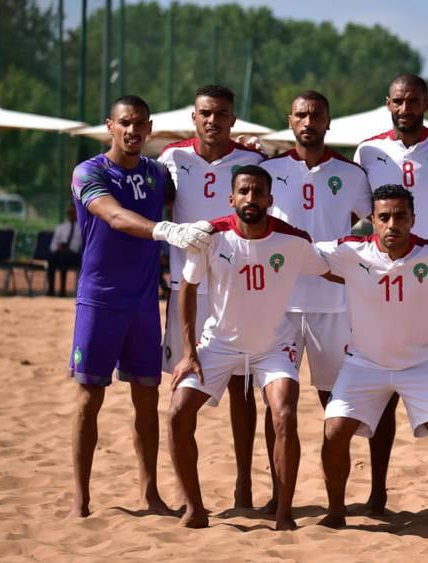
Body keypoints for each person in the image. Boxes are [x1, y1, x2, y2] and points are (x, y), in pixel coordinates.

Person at [68, 94, 213, 518]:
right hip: (99, 301)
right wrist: (165, 230)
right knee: (89, 398)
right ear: (109, 126)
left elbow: (202, 180)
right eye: (125, 123)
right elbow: (113, 217)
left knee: (147, 401)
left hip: (145, 304)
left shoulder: (155, 172)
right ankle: (81, 499)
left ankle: (150, 494)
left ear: (150, 129)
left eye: (140, 124)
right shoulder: (89, 171)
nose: (133, 131)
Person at [169, 165, 331, 530]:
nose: (251, 199)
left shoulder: (293, 240)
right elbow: (188, 289)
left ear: (270, 200)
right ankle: (195, 509)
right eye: (244, 192)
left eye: (258, 192)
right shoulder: (210, 237)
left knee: (285, 414)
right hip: (219, 345)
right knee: (179, 411)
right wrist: (188, 352)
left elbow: (330, 267)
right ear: (232, 198)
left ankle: (284, 514)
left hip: (273, 347)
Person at [318, 184, 428, 536]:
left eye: (400, 216)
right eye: (384, 217)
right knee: (334, 432)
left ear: (413, 219)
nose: (392, 224)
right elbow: (307, 257)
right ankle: (335, 511)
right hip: (364, 363)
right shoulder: (350, 252)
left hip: (424, 363)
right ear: (371, 220)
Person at [353, 73, 428, 514]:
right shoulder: (367, 151)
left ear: (427, 103)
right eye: (399, 102)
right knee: (382, 390)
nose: (406, 109)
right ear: (388, 103)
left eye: (415, 102)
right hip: (383, 287)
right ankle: (377, 491)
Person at [260, 90, 372, 513]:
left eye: (317, 115)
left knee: (335, 407)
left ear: (329, 121)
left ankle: (336, 504)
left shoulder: (353, 174)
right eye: (301, 114)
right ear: (290, 120)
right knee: (278, 406)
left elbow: (372, 220)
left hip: (334, 305)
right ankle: (279, 494)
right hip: (280, 307)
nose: (309, 121)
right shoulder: (269, 169)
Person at [158, 84, 266, 509]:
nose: (213, 120)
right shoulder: (172, 158)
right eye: (206, 112)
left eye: (221, 113)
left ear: (232, 118)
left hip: (235, 292)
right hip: (184, 289)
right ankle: (189, 494)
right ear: (194, 116)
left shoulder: (253, 160)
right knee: (184, 391)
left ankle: (244, 486)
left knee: (242, 389)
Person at [47, 204, 82, 296]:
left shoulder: (82, 228)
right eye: (69, 213)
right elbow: (53, 245)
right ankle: (51, 289)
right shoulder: (61, 227)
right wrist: (59, 247)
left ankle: (63, 290)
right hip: (60, 254)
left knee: (64, 257)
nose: (71, 215)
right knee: (52, 257)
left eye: (73, 212)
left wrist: (68, 249)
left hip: (75, 255)